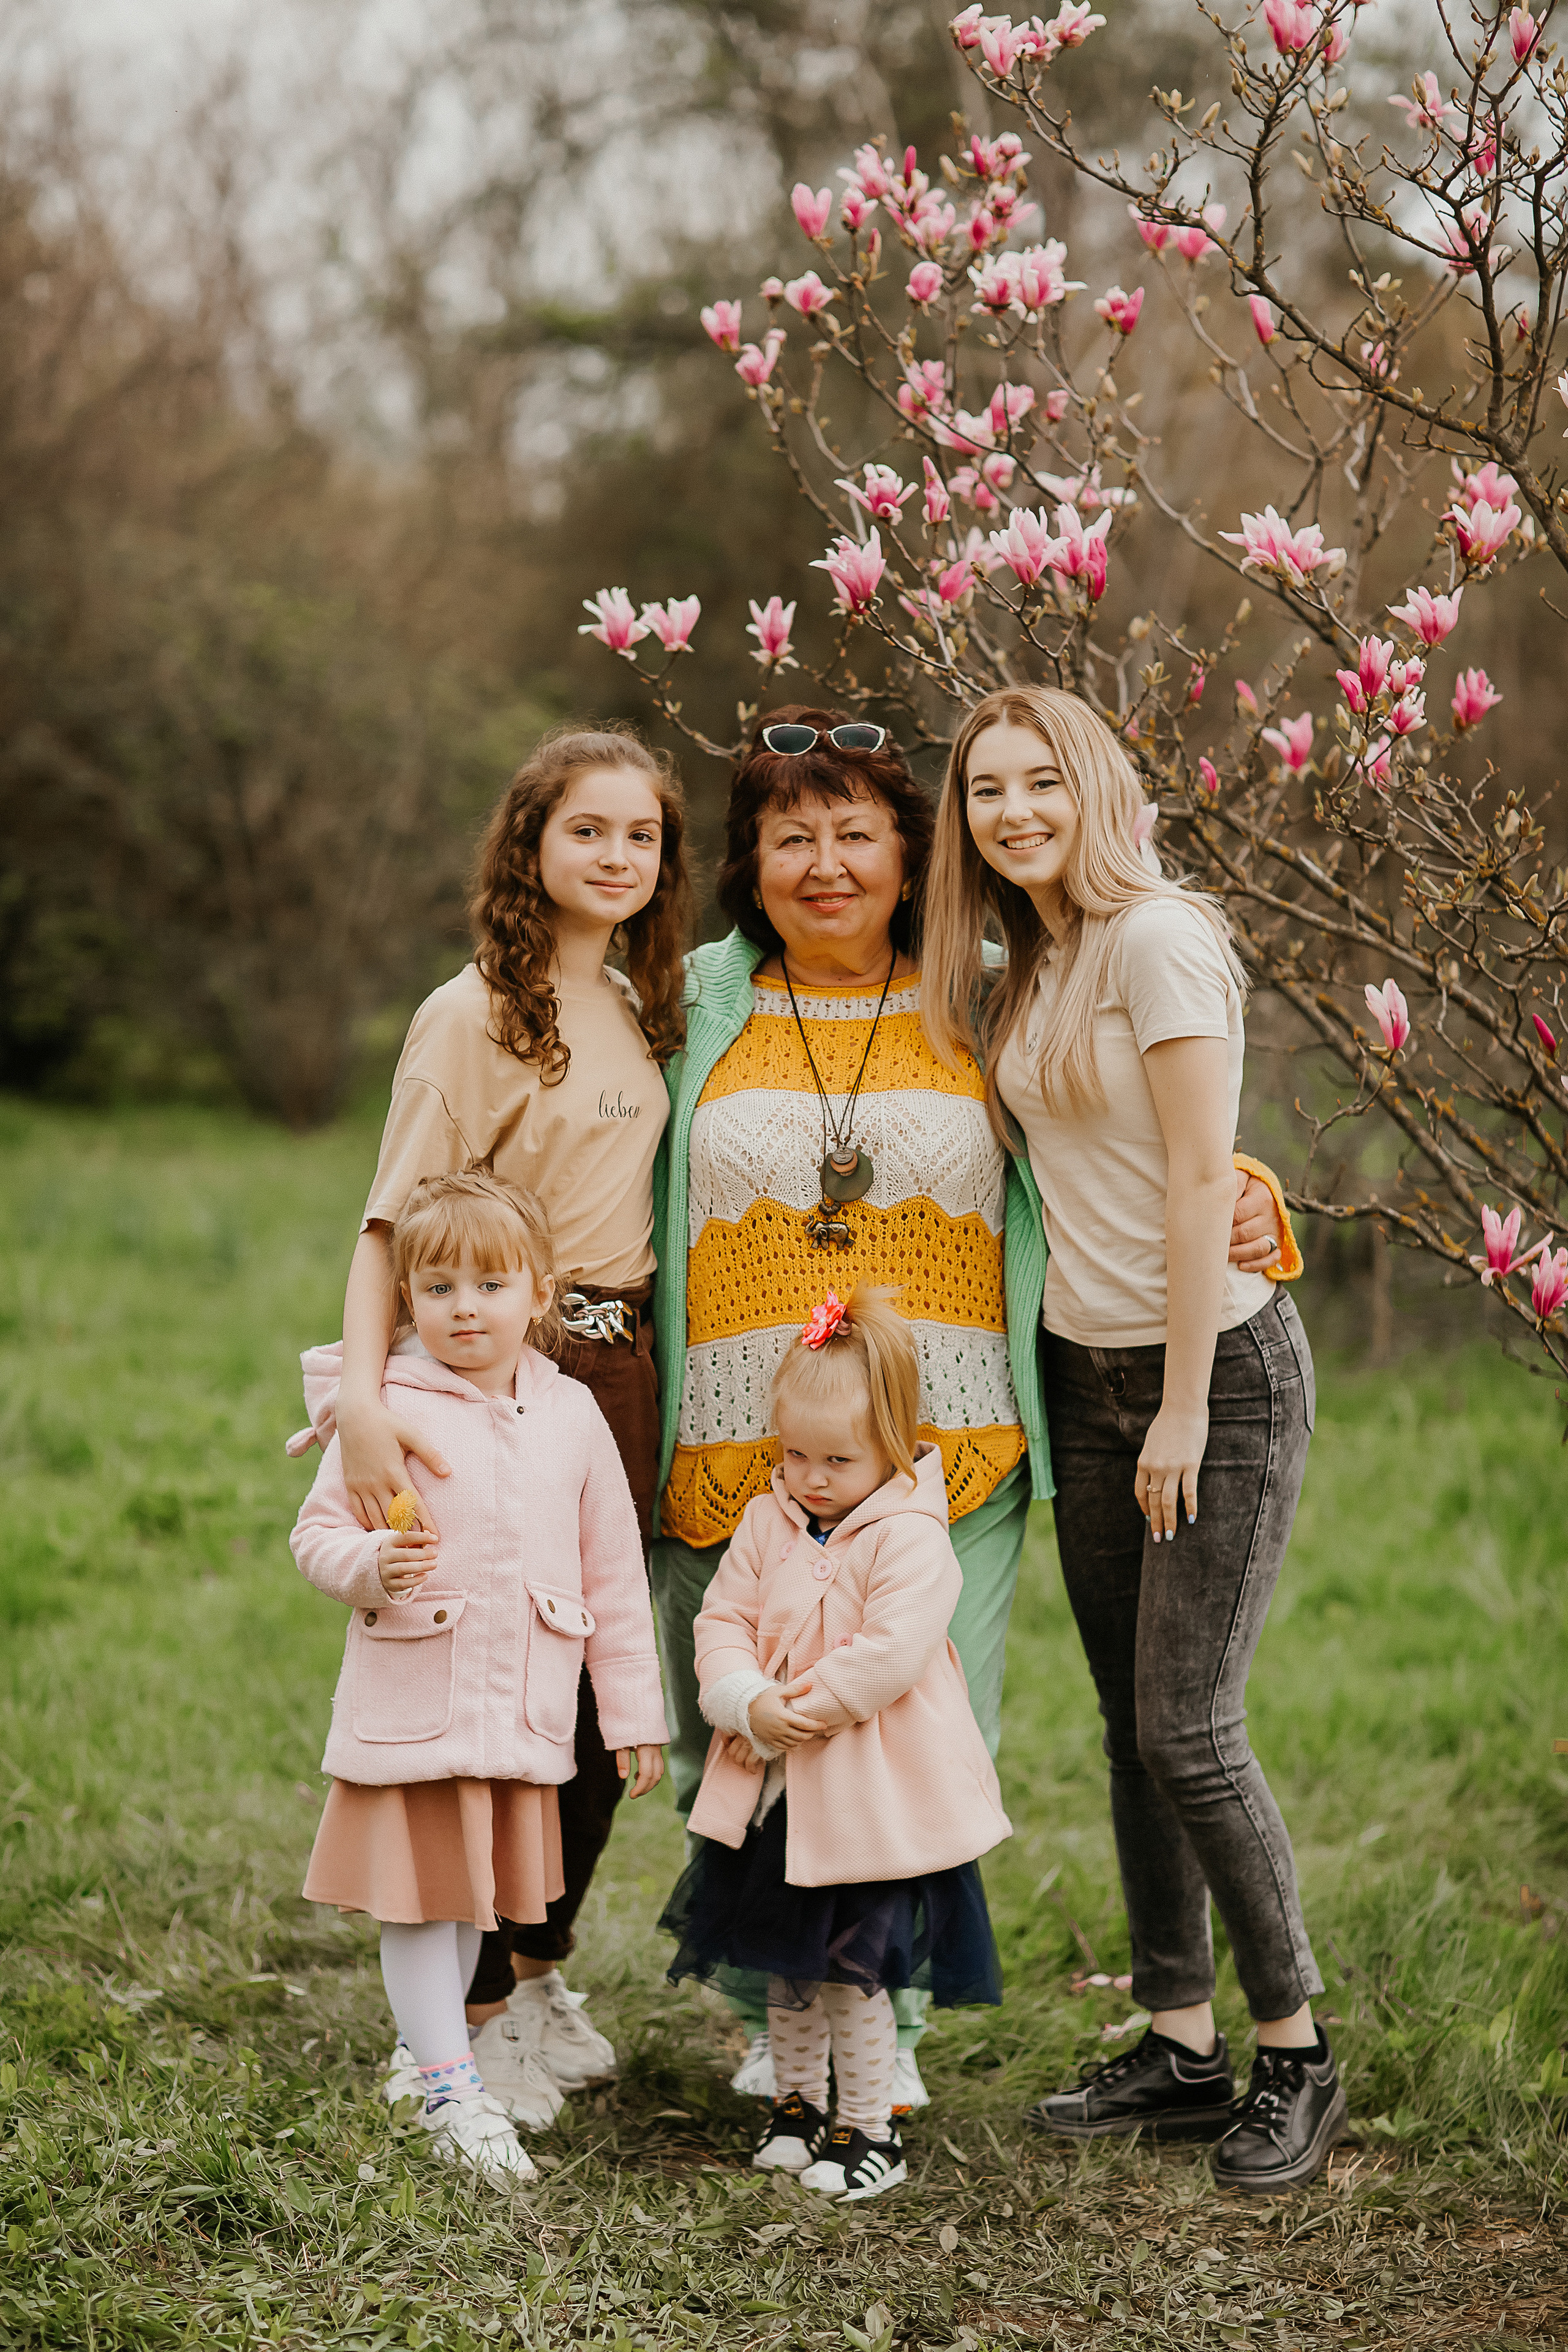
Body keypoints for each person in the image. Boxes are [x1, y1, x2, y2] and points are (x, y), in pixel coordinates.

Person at [648, 706, 1298, 2106]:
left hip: (952, 1440)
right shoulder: (690, 994)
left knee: (914, 1734)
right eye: (789, 839)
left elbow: (1120, 1126)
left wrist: (1250, 1192)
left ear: (908, 856)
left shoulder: (987, 986)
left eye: (857, 835)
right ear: (747, 866)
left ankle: (882, 2043)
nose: (825, 866)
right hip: (741, 1437)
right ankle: (786, 2027)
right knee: (746, 1729)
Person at [924, 683, 1343, 2194]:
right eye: (985, 792)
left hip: (1208, 1374)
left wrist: (1176, 1399)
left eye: (1042, 782)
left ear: (1096, 788)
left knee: (1189, 1727)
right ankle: (1178, 2041)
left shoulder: (1163, 937)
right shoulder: (1024, 961)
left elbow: (1191, 1179)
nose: (1015, 811)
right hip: (1077, 1375)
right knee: (1125, 1728)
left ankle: (1295, 2050)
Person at [326, 725, 690, 2103]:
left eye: (642, 835)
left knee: (598, 1688)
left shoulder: (653, 1004)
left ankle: (536, 1972)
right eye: (586, 830)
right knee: (497, 1687)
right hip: (501, 1373)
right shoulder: (469, 1011)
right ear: (530, 845)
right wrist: (367, 1401)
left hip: (623, 1373)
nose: (616, 855)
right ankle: (461, 2018)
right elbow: (386, 1227)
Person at [290, 1172, 667, 2182]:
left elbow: (615, 1577)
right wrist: (369, 1568)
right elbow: (318, 1536)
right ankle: (456, 2088)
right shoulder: (390, 1410)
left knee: (467, 1904)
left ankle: (430, 2060)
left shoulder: (574, 1414)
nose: (465, 1308)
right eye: (439, 1288)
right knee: (422, 1904)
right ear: (406, 1300)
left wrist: (633, 1712)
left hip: (525, 1708)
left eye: (490, 1284)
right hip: (419, 1700)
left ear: (539, 1294)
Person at [662, 1287, 1009, 2202]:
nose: (810, 1477)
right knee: (787, 1964)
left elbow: (888, 1654)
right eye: (794, 1455)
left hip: (868, 1803)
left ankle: (868, 2129)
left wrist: (795, 1709)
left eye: (837, 1459)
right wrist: (741, 1697)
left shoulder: (911, 1538)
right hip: (780, 1799)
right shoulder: (767, 1520)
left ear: (893, 1444)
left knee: (855, 1974)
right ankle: (796, 2107)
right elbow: (722, 1617)